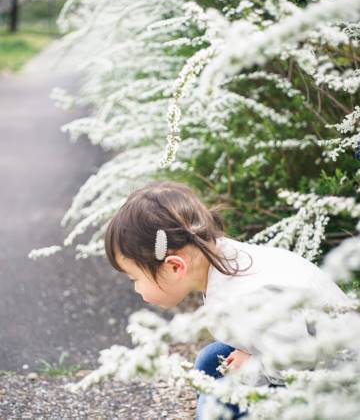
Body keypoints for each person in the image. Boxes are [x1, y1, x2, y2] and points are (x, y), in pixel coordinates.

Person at [104, 180, 352, 420]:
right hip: (301, 356)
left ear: (175, 267)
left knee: (218, 399)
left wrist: (256, 368)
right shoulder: (224, 257)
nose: (136, 289)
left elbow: (299, 361)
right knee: (211, 359)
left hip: (337, 388)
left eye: (134, 278)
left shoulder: (247, 298)